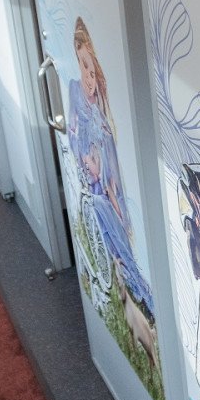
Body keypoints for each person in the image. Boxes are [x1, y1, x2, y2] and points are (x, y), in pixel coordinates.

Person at [67, 18, 158, 360]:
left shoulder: (102, 114)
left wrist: (103, 175)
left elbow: (111, 169)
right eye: (83, 67)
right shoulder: (75, 94)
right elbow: (75, 139)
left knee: (120, 242)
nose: (88, 78)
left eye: (92, 70)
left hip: (105, 193)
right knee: (108, 234)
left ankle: (144, 305)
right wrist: (88, 162)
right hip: (92, 192)